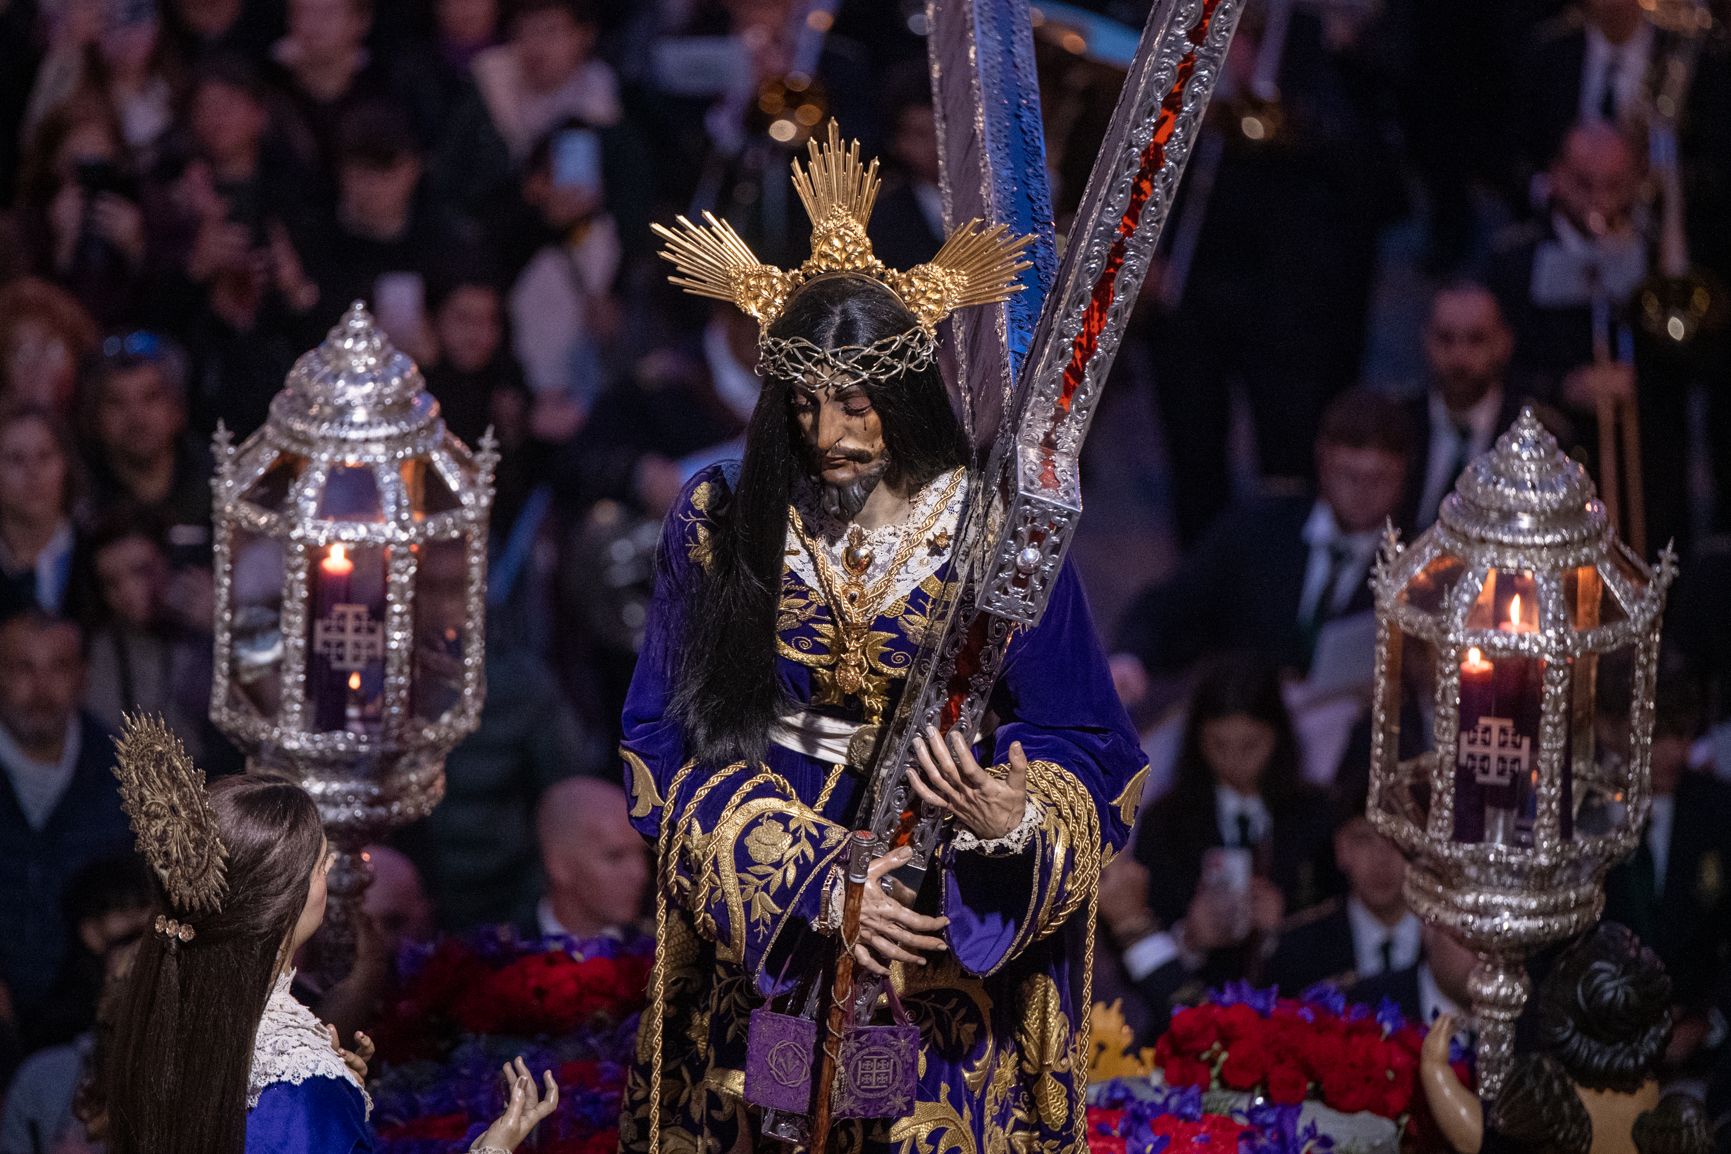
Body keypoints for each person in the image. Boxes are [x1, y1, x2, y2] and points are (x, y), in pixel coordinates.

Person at [624, 125, 1144, 1153]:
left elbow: (1090, 738)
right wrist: (805, 878)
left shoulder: (995, 537)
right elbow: (661, 739)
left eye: (856, 406)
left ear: (903, 396)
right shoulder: (722, 521)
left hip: (938, 896)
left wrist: (1013, 815)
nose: (829, 437)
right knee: (771, 1121)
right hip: (774, 914)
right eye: (804, 407)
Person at [100, 716, 559, 1154]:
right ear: (282, 898)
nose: (334, 870)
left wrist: (342, 1097)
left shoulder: (162, 1015)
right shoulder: (301, 1080)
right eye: (321, 865)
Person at [1112, 389, 1414, 707]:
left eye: (1379, 479)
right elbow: (1175, 604)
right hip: (1240, 714)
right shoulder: (1258, 529)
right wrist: (1133, 657)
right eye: (1349, 476)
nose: (1362, 493)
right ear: (1323, 461)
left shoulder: (1413, 565)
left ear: (1405, 474)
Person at [1127, 655, 1340, 980]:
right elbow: (1137, 943)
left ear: (1277, 736)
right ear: (1197, 740)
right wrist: (1190, 937)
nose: (1233, 761)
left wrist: (1286, 930)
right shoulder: (1165, 823)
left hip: (1295, 1000)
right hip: (1195, 999)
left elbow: (1342, 935)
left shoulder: (1315, 814)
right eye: (1218, 745)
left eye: (1250, 745)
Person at [0, 612, 130, 1042]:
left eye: (58, 668)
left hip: (92, 1026)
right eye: (23, 668)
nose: (41, 689)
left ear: (81, 677)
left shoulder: (124, 775)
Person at [1400, 283, 1535, 531]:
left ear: (1504, 343)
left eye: (1476, 339)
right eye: (1446, 338)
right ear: (1426, 340)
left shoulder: (1532, 434)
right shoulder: (1399, 424)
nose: (1459, 357)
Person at [1265, 802, 1420, 996]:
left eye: (1397, 840)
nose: (1381, 859)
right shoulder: (1297, 950)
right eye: (1364, 840)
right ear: (1341, 848)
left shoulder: (1447, 950)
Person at [534, 777, 648, 939]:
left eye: (642, 853)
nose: (640, 873)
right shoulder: (504, 947)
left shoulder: (665, 947)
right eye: (615, 856)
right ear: (559, 865)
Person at [0, 406, 85, 620]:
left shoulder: (94, 554)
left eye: (44, 456)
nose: (33, 472)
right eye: (16, 459)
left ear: (65, 464)